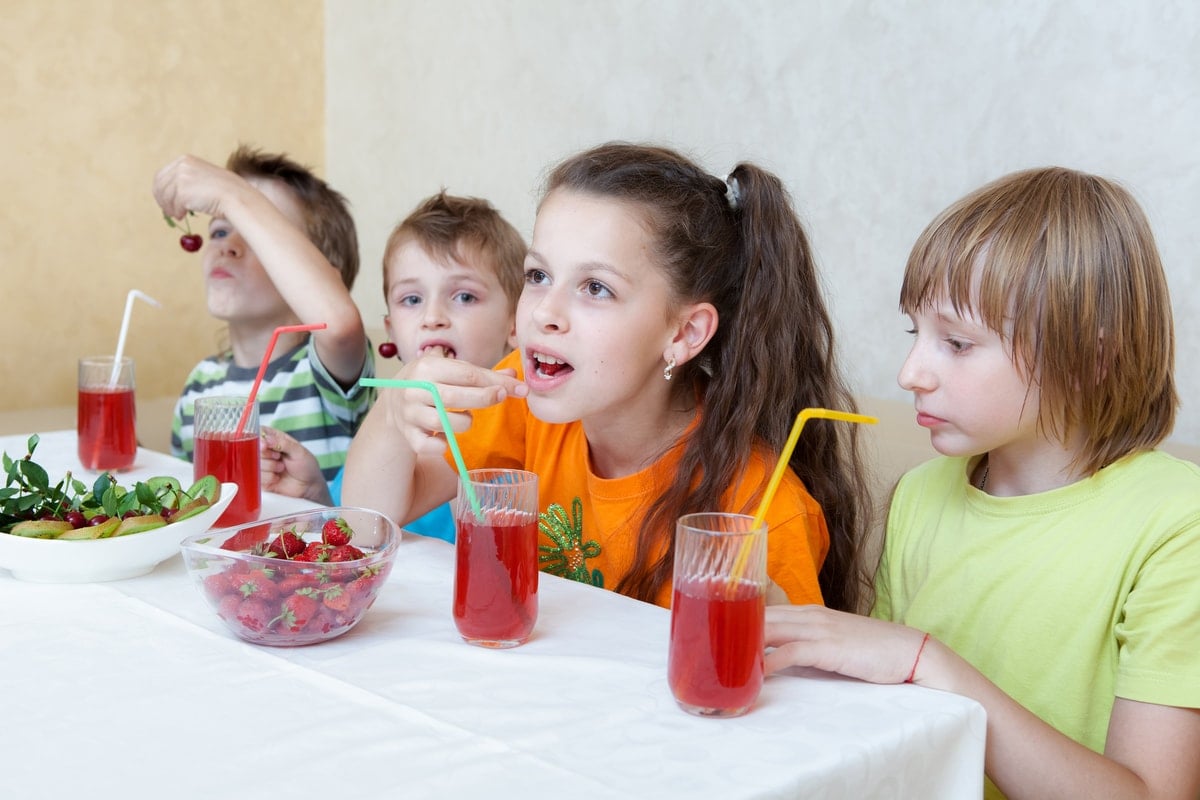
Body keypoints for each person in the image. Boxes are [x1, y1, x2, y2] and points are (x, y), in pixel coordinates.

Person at [763, 167, 1200, 798]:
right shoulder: (921, 494)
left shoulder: (1177, 525)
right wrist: (806, 649)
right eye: (916, 333)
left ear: (1090, 360)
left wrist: (924, 662)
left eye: (959, 344)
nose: (911, 372)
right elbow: (892, 728)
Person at [343, 141, 870, 611]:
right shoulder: (522, 398)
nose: (544, 312)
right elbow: (366, 527)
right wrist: (393, 416)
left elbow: (783, 696)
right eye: (538, 275)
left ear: (684, 334)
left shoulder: (761, 511)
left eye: (595, 287)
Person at [260, 191, 526, 542]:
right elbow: (358, 527)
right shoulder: (384, 430)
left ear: (516, 325)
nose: (432, 318)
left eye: (464, 296)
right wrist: (318, 495)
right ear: (391, 331)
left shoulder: (521, 420)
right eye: (411, 299)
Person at [153, 145, 374, 481]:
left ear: (324, 273)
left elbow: (338, 325)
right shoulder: (199, 385)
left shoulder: (327, 371)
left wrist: (230, 193)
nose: (227, 245)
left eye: (257, 235)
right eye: (220, 230)